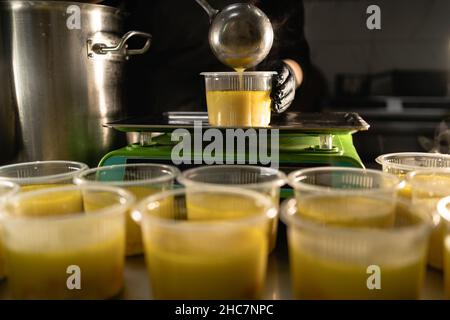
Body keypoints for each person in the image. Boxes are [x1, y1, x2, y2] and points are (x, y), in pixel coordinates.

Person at [96, 0, 310, 116]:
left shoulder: (284, 4)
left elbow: (296, 53)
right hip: (161, 133)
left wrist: (290, 73)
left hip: (250, 137)